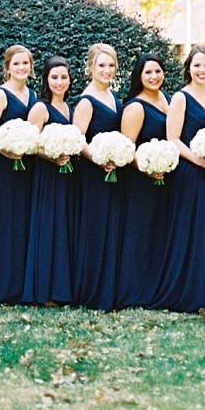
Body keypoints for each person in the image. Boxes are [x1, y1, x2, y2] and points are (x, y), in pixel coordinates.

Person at [155, 46, 205, 312]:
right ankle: (186, 293)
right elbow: (172, 138)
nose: (202, 70)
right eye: (197, 65)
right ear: (188, 69)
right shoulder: (181, 98)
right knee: (190, 230)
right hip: (189, 171)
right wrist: (198, 160)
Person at [0, 45, 37, 305]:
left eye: (25, 63)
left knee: (22, 225)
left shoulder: (32, 95)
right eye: (16, 64)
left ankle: (20, 286)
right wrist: (7, 151)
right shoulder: (0, 96)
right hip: (4, 167)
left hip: (27, 168)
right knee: (4, 224)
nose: (21, 68)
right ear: (7, 67)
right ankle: (0, 287)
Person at [114, 52, 173, 309]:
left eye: (158, 71)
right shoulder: (136, 107)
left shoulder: (166, 99)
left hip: (165, 178)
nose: (154, 76)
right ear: (139, 75)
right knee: (140, 233)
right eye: (148, 72)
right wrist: (148, 168)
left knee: (159, 233)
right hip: (141, 180)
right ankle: (135, 291)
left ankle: (156, 287)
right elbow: (128, 148)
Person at [71, 43, 124, 311]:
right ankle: (91, 292)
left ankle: (109, 290)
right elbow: (78, 139)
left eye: (110, 65)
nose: (106, 70)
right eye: (101, 65)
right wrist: (99, 159)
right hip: (93, 173)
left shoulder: (114, 98)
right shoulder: (86, 100)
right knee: (93, 229)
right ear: (90, 67)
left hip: (112, 171)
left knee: (110, 228)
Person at [23, 55, 77, 306]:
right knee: (46, 228)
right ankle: (41, 291)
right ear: (46, 79)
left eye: (63, 77)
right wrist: (52, 157)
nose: (59, 82)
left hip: (65, 175)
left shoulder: (70, 108)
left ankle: (60, 290)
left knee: (62, 229)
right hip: (46, 174)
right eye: (54, 77)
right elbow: (29, 146)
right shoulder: (40, 108)